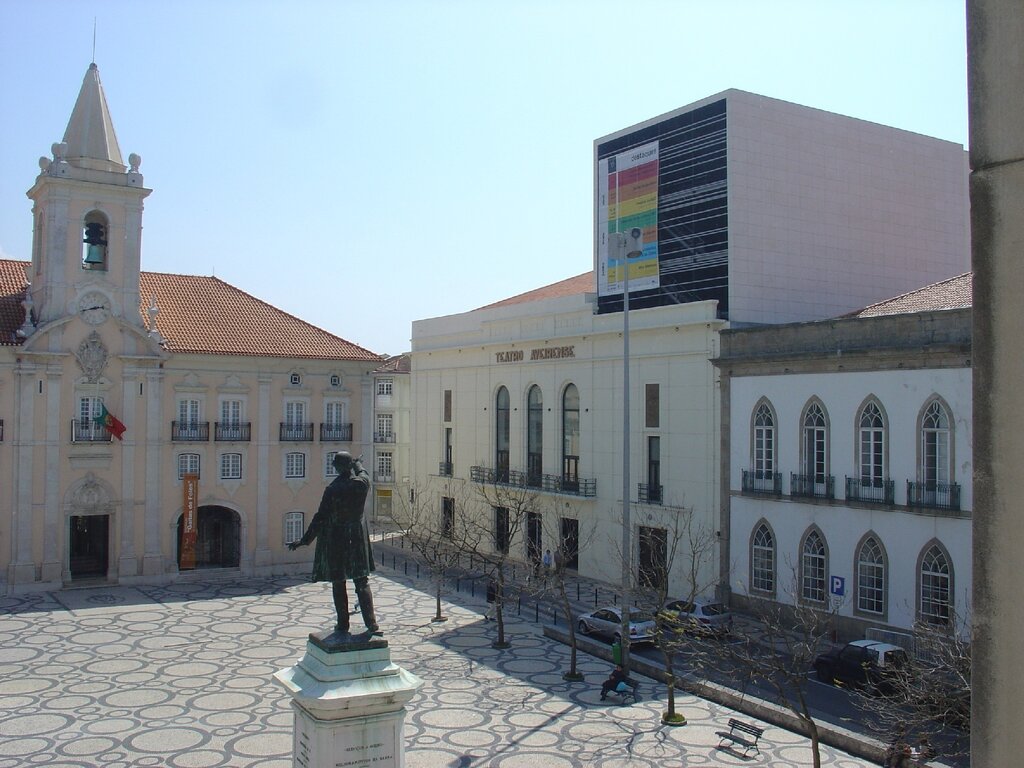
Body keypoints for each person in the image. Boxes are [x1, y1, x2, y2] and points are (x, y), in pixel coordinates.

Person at [288, 452, 379, 636]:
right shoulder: (362, 484)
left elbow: (320, 518)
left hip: (337, 539)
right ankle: (372, 625)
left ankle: (343, 624)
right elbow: (364, 473)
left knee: (338, 583)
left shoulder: (333, 489)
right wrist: (357, 464)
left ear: (337, 467)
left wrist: (305, 540)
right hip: (357, 539)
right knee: (362, 582)